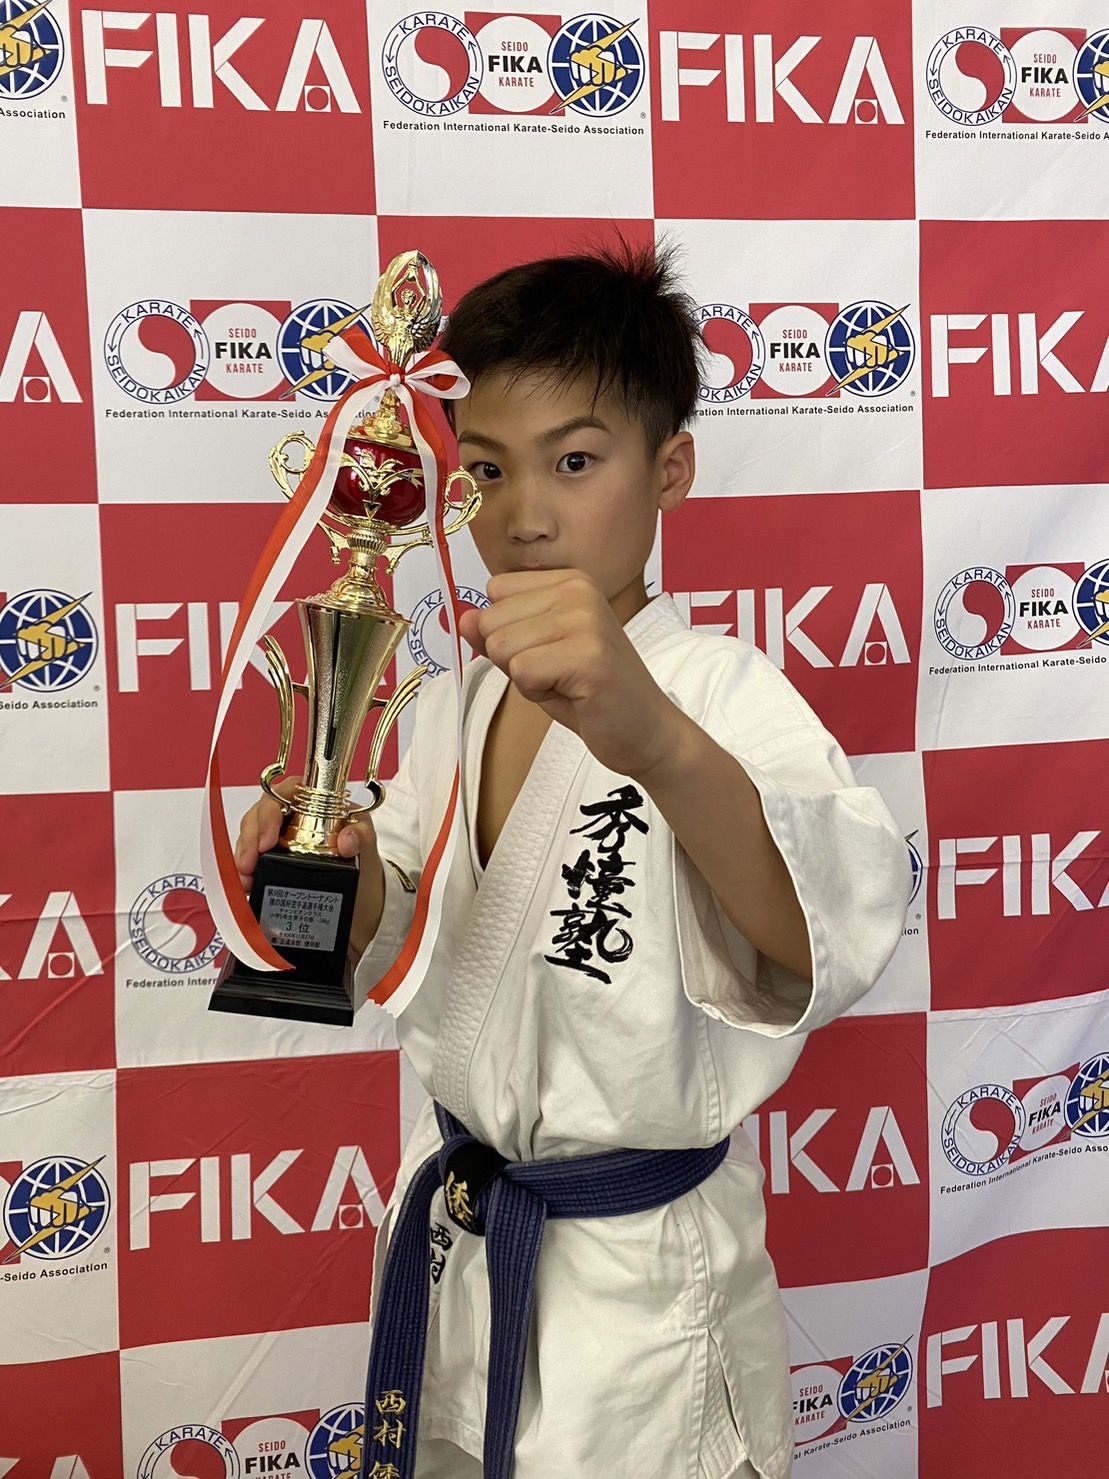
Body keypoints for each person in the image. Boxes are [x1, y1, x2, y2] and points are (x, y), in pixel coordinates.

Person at [235, 244, 909, 1479]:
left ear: (669, 471)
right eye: (486, 469)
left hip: (640, 1302)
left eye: (576, 461)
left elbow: (824, 935)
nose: (524, 514)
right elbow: (401, 930)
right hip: (462, 1243)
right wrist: (325, 865)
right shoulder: (459, 697)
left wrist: (650, 735)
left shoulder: (722, 691)